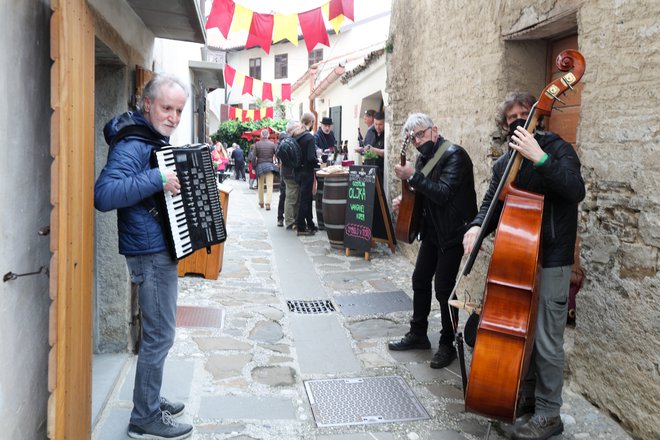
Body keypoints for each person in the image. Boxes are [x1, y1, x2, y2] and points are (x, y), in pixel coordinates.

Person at [462, 91, 585, 440]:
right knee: (521, 334)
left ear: (538, 117)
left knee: (547, 338)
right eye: (511, 117)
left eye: (524, 114)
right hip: (516, 261)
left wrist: (540, 157)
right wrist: (475, 228)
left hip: (553, 257)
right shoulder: (505, 164)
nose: (518, 120)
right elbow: (489, 205)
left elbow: (575, 190)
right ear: (505, 125)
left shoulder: (558, 150)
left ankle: (549, 413)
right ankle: (527, 397)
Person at [94, 74, 193, 440]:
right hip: (148, 252)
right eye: (166, 108)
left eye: (179, 111)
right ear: (147, 103)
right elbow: (104, 194)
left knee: (159, 333)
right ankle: (144, 417)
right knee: (160, 334)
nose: (173, 117)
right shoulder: (133, 143)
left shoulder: (150, 137)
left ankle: (148, 399)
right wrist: (157, 179)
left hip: (157, 245)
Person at [388, 112, 477, 371]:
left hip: (452, 232)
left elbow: (443, 193)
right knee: (419, 280)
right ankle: (418, 334)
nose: (416, 141)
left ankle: (447, 343)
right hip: (433, 231)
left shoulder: (455, 155)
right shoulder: (424, 157)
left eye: (420, 134)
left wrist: (412, 176)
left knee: (444, 288)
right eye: (412, 137)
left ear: (434, 131)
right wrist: (405, 201)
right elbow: (424, 193)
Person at [292, 113, 319, 235]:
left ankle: (310, 224)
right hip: (306, 172)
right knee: (305, 200)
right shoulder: (309, 137)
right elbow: (310, 158)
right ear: (311, 122)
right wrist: (318, 161)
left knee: (306, 199)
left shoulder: (296, 135)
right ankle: (301, 227)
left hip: (297, 171)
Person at [254, 129, 278, 210]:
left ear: (261, 135)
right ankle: (268, 203)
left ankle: (261, 203)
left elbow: (253, 158)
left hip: (260, 166)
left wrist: (254, 167)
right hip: (269, 166)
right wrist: (278, 163)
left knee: (260, 186)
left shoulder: (257, 144)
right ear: (268, 135)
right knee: (269, 186)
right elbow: (277, 155)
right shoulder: (272, 144)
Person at [360, 111, 386, 185]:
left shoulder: (387, 134)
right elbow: (365, 147)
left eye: (380, 124)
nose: (377, 127)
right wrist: (362, 149)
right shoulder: (370, 132)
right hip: (368, 169)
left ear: (384, 123)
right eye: (376, 124)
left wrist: (373, 149)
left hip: (381, 172)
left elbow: (387, 153)